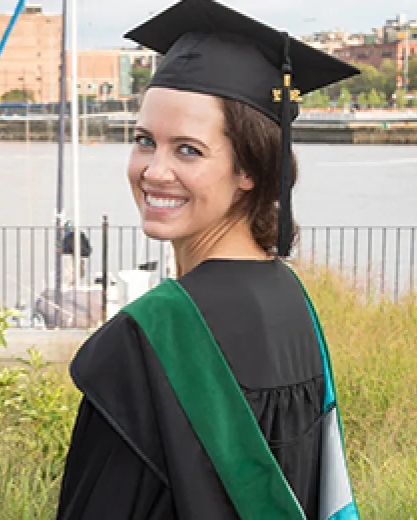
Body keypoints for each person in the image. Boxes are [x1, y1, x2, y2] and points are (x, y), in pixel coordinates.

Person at [56, 0, 362, 519]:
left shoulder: (145, 338)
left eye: (188, 150)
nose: (154, 171)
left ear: (250, 167)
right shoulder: (293, 302)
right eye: (144, 141)